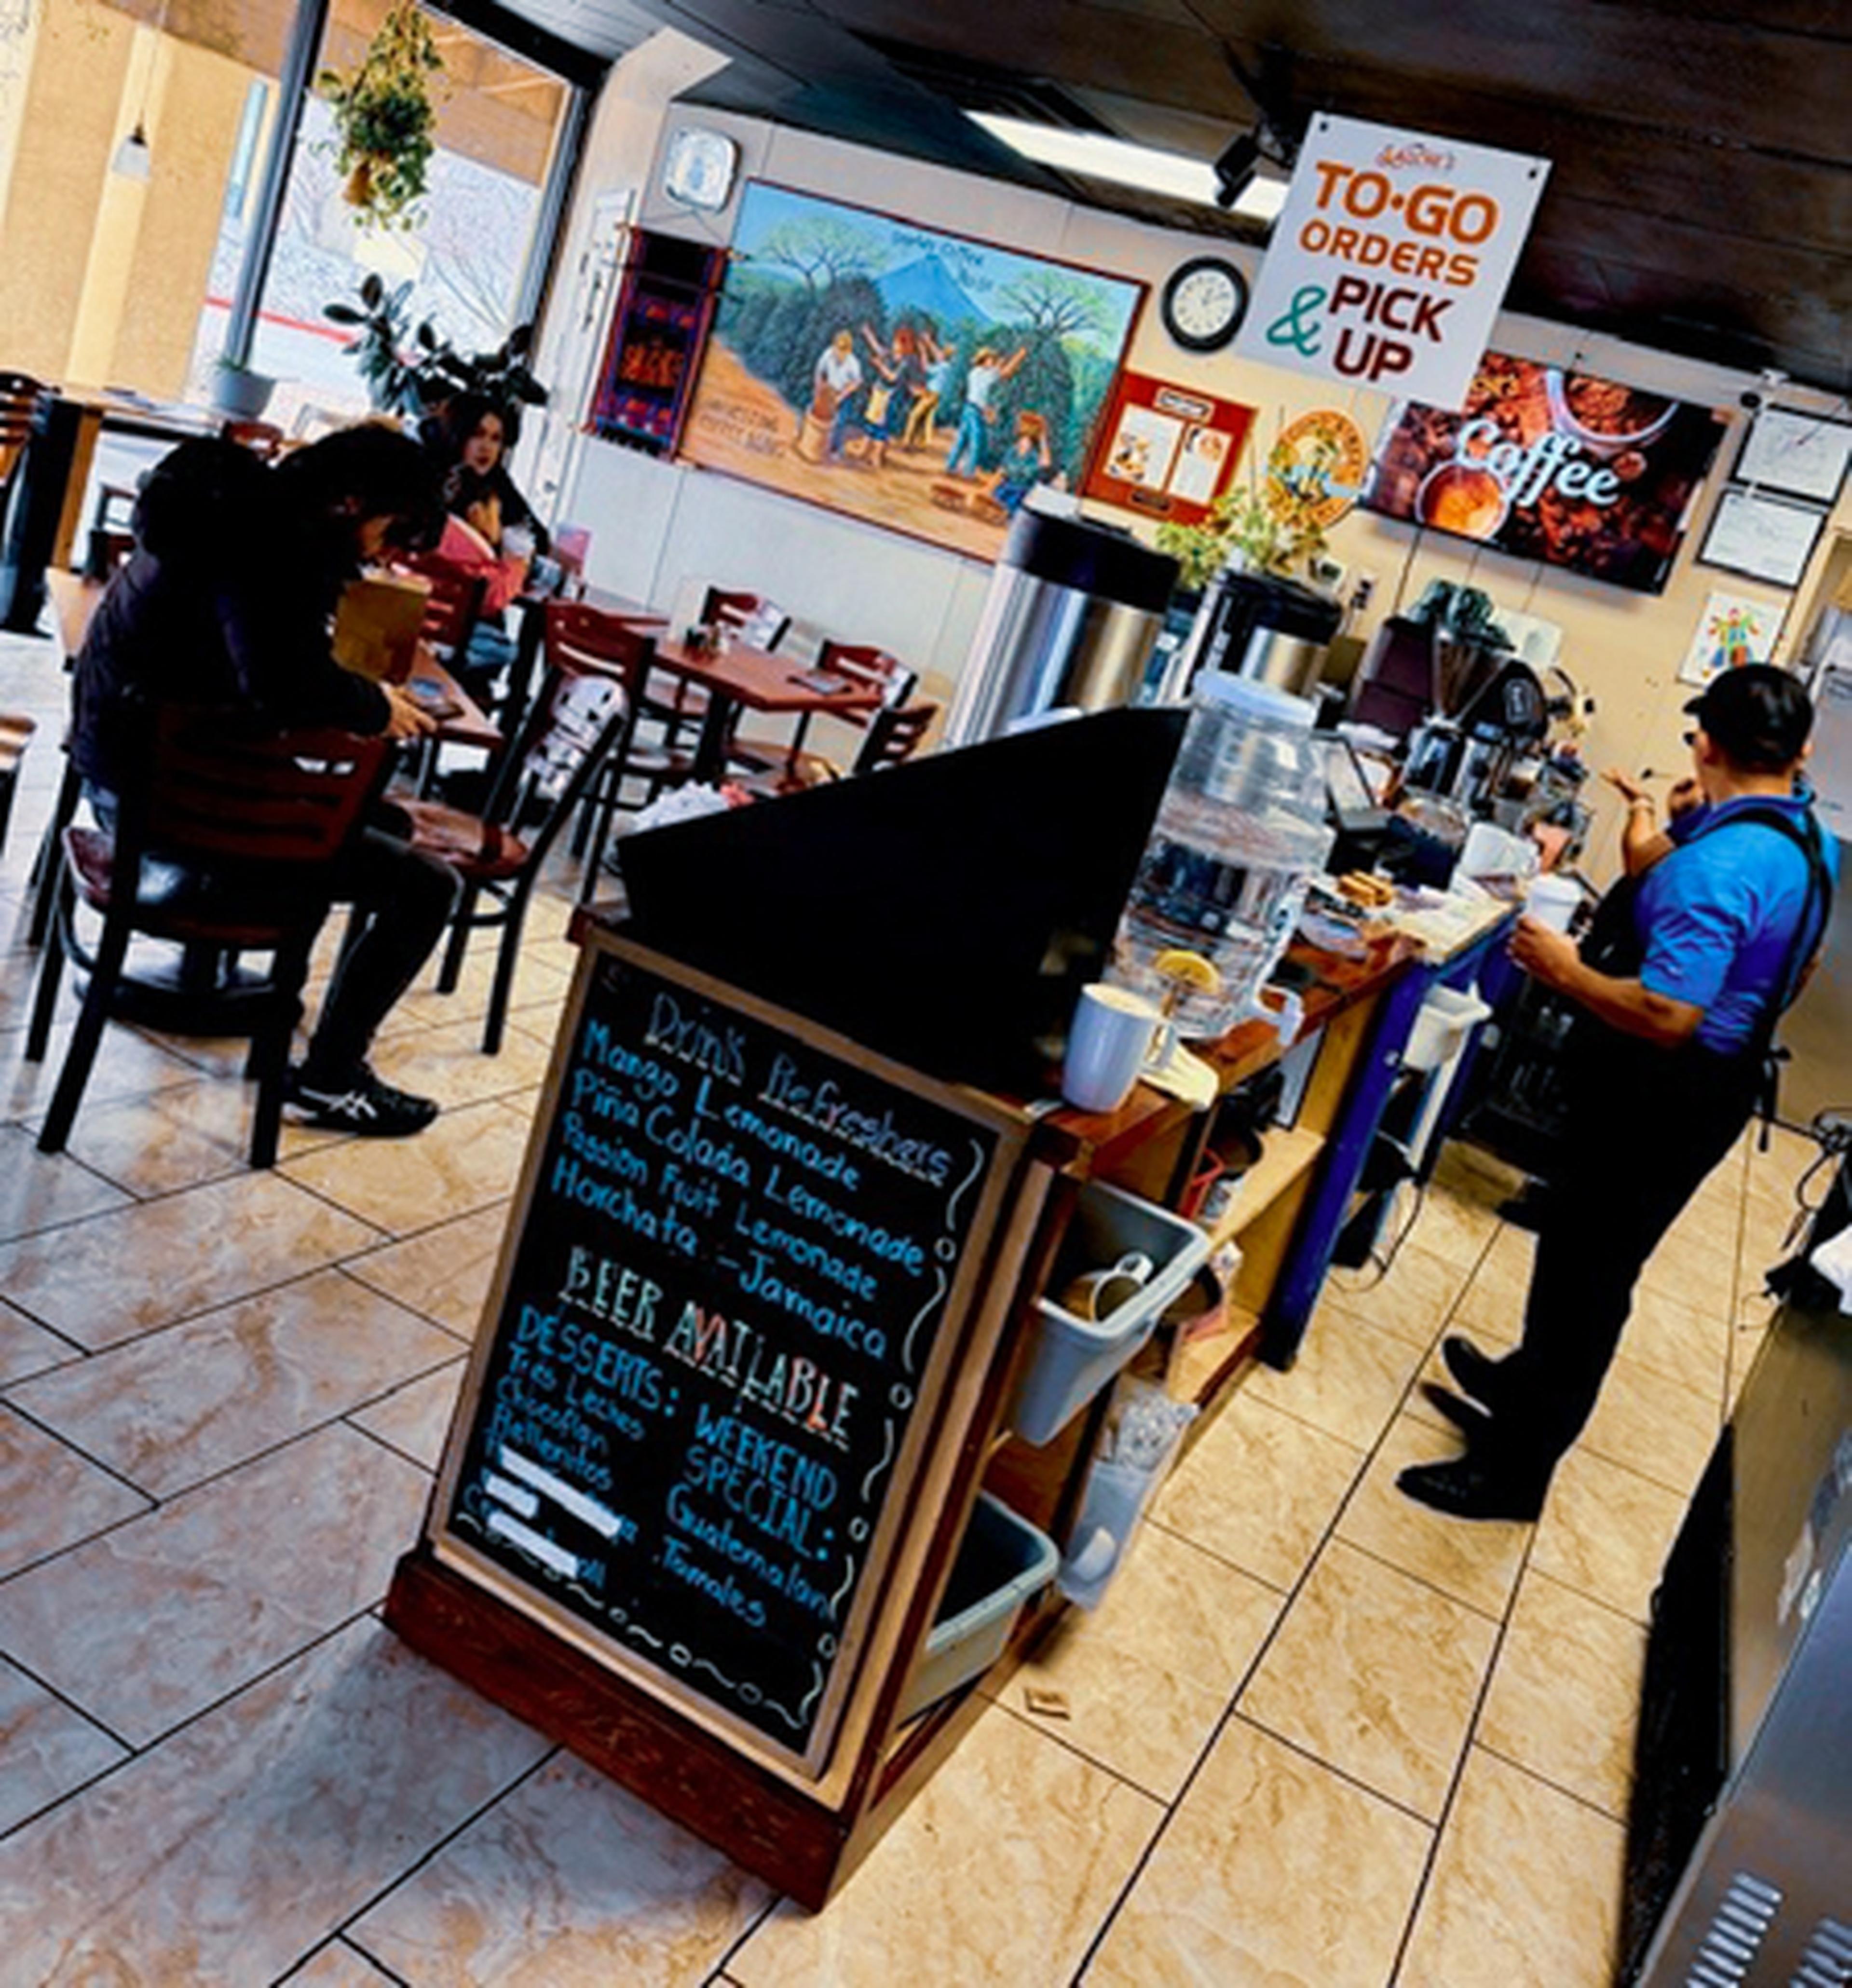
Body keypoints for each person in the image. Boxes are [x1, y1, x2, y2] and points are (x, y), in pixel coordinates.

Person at [1399, 665, 1837, 1521]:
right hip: (1717, 1080)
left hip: (1664, 1089)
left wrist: (1564, 970)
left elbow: (1670, 1009)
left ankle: (1513, 1475)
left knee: (1587, 1278)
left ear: (1705, 743)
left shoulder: (1725, 864)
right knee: (1579, 1248)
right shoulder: (1799, 838)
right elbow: (1790, 957)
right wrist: (1678, 826)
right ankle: (1523, 1384)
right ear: (1800, 751)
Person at [71, 423, 462, 1138]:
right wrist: (374, 705)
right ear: (349, 504)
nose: (386, 551)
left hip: (115, 777)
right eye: (389, 529)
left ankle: (317, 1050)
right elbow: (281, 683)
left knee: (392, 830)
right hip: (173, 815)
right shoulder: (275, 552)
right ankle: (334, 1077)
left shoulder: (220, 510)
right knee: (429, 885)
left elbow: (247, 668)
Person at [425, 394, 549, 702]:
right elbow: (531, 542)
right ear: (458, 434)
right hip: (443, 627)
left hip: (448, 626)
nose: (487, 448)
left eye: (496, 439)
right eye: (478, 435)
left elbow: (537, 534)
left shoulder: (495, 482)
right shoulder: (437, 481)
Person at [943, 343, 1028, 479]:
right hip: (976, 411)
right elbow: (1006, 373)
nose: (993, 362)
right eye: (991, 360)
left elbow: (997, 372)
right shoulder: (987, 375)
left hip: (968, 408)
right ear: (984, 360)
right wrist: (1020, 356)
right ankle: (969, 472)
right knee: (977, 442)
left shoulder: (975, 372)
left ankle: (950, 466)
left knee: (962, 440)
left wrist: (999, 365)